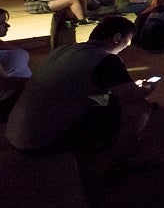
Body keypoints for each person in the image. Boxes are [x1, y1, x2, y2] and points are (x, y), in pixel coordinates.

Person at [4, 17, 153, 170]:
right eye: (128, 40)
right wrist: (147, 88)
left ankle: (99, 140)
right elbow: (133, 96)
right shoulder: (106, 60)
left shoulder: (63, 50)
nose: (128, 45)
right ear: (116, 38)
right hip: (39, 142)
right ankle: (120, 162)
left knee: (108, 103)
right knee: (140, 109)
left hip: (15, 132)